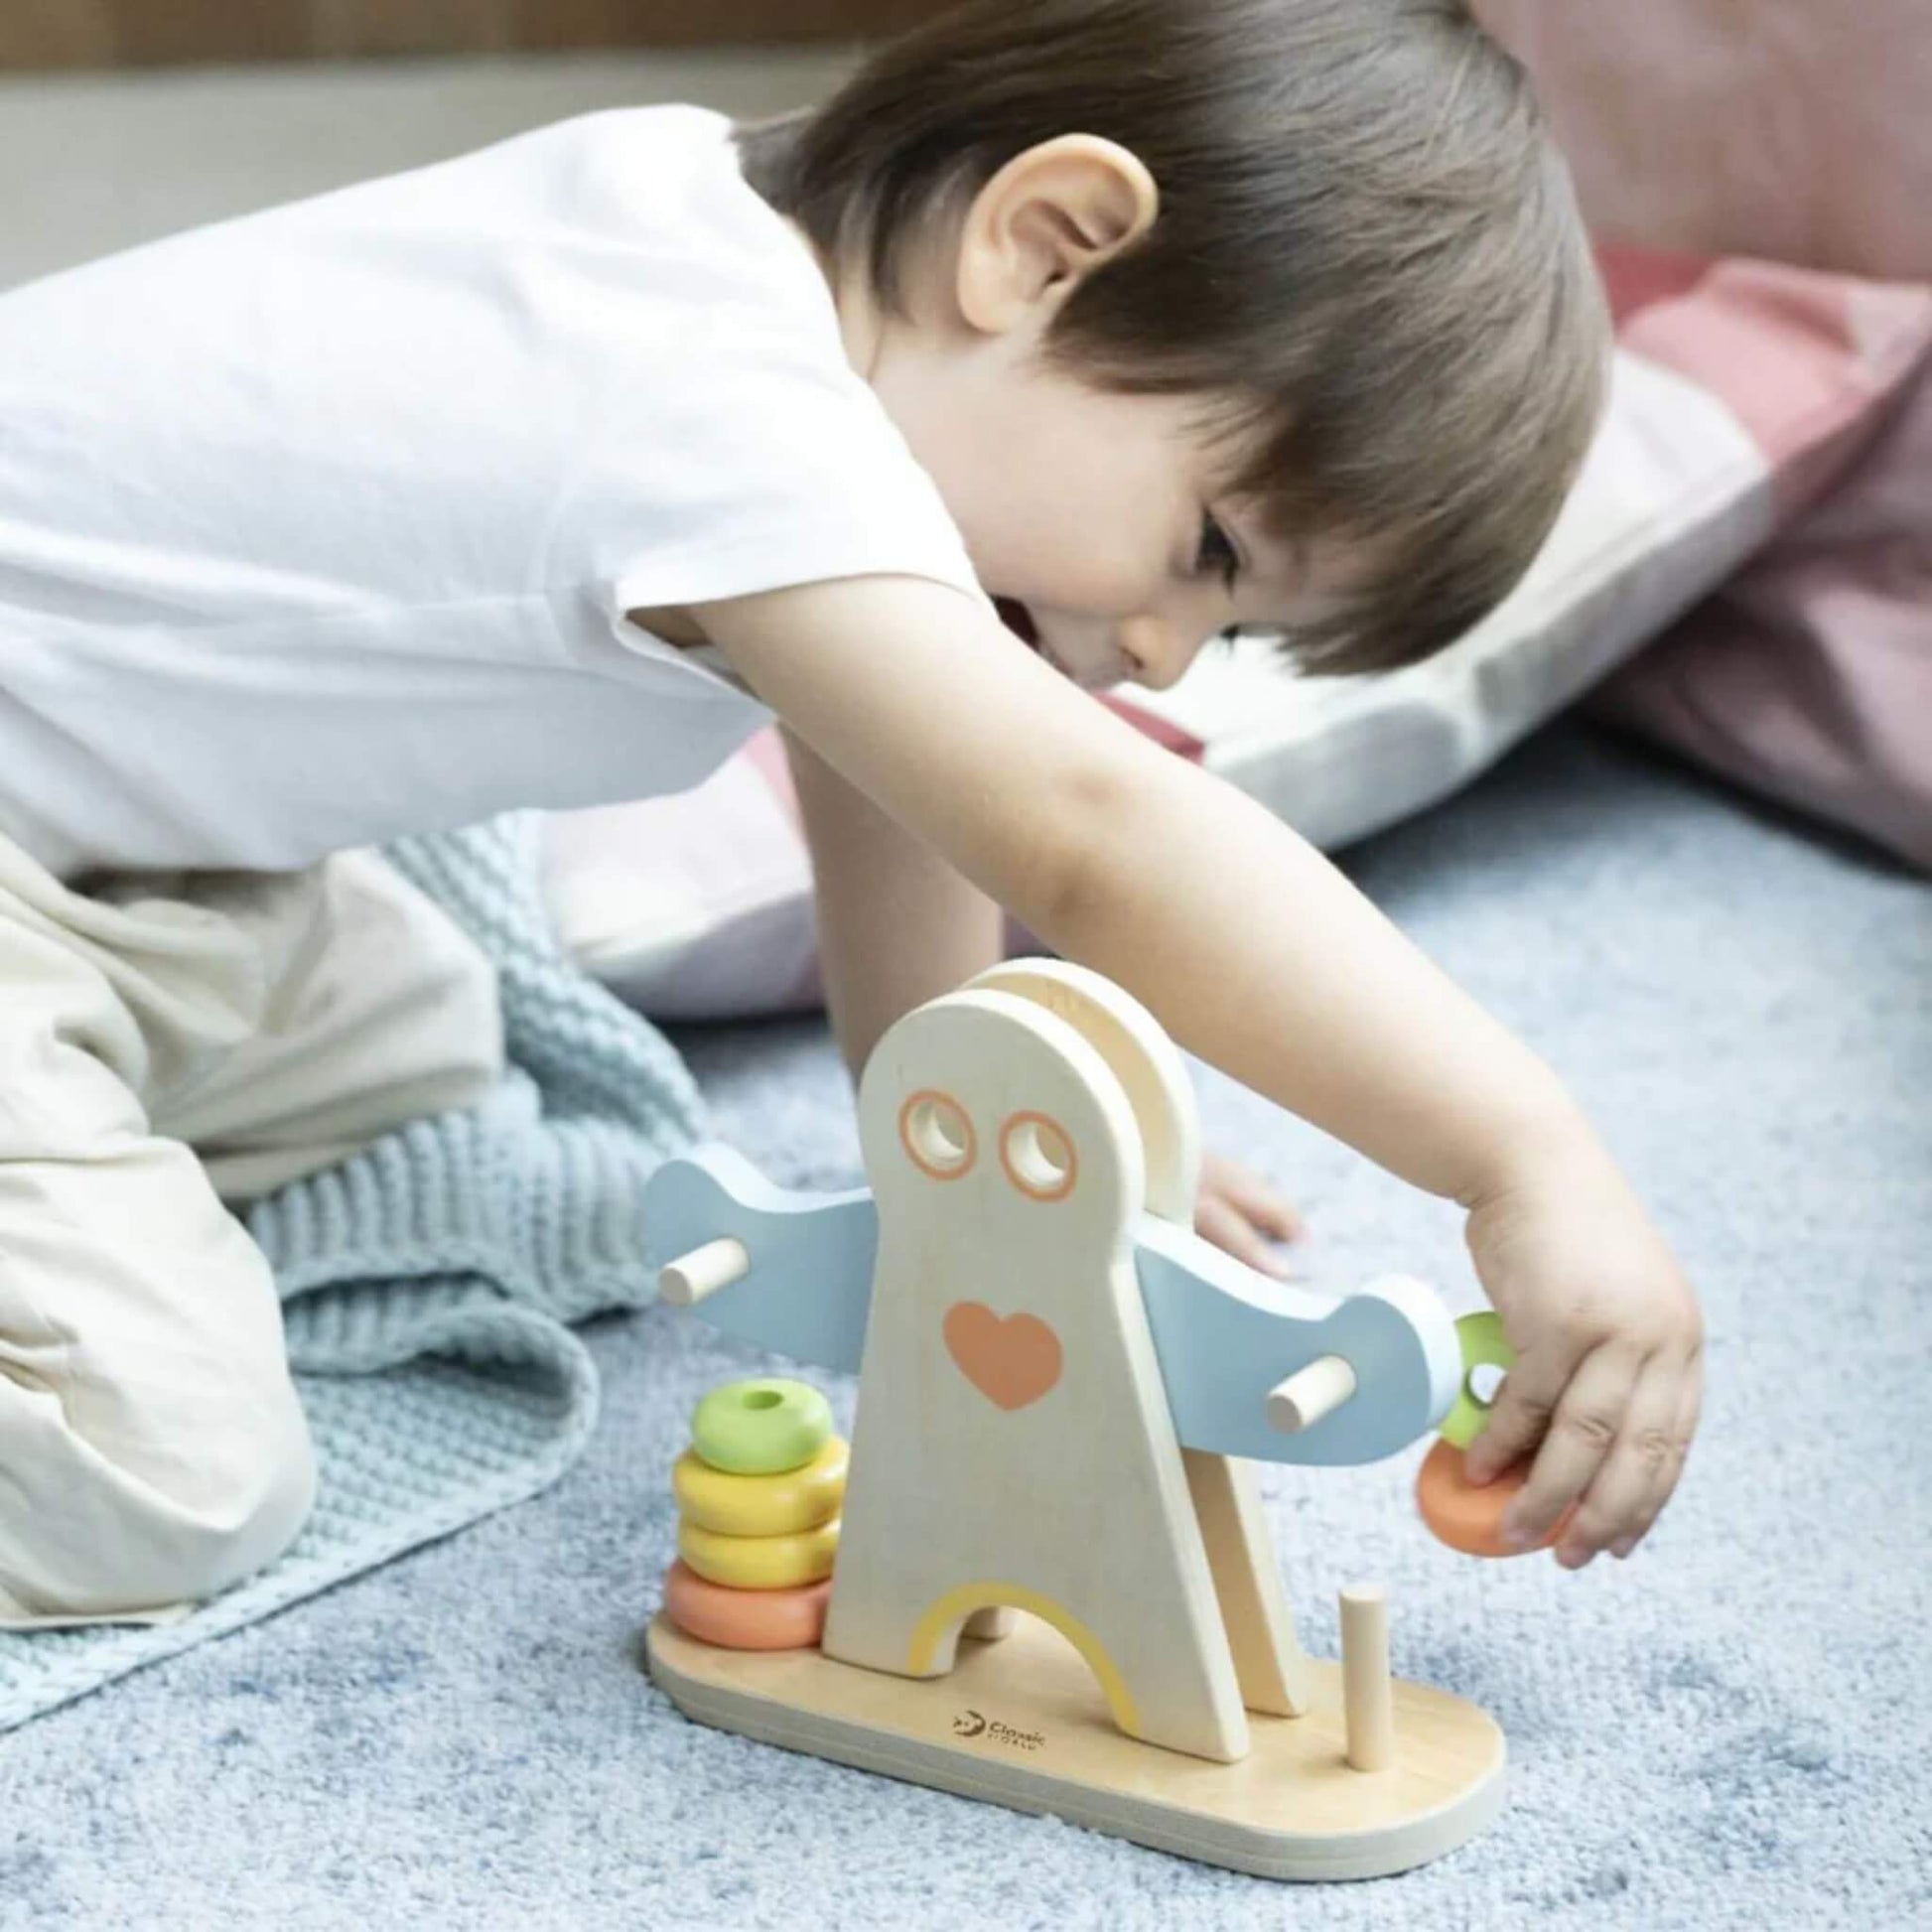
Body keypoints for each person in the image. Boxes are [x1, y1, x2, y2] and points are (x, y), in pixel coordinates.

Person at [0, 0, 1701, 1629]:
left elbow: (900, 790)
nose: (1170, 657)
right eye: (1209, 550)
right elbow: (1082, 833)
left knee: (420, 1053)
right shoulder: (706, 404)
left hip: (115, 848)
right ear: (1042, 246)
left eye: (1230, 632)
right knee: (163, 1468)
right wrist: (1517, 1156)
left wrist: (977, 1139)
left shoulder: (742, 272)